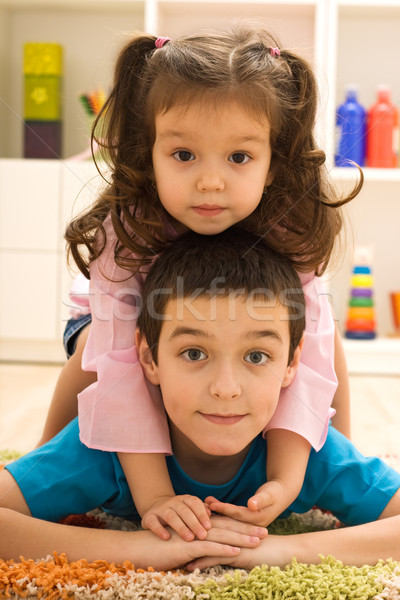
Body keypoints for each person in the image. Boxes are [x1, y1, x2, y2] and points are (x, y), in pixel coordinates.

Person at [37, 22, 361, 541]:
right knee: (95, 353)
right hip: (129, 323)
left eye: (239, 157)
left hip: (233, 323)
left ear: (273, 162)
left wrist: (290, 474)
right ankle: (50, 456)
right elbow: (120, 361)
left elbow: (311, 350)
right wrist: (156, 497)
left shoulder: (288, 223)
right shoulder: (127, 230)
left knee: (320, 334)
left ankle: (333, 456)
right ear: (151, 154)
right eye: (184, 156)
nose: (211, 181)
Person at [2, 228, 400, 570]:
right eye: (194, 353)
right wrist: (140, 549)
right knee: (97, 346)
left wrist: (276, 550)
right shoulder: (105, 444)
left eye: (256, 356)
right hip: (109, 317)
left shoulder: (309, 448)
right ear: (149, 359)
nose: (225, 388)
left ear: (292, 364)